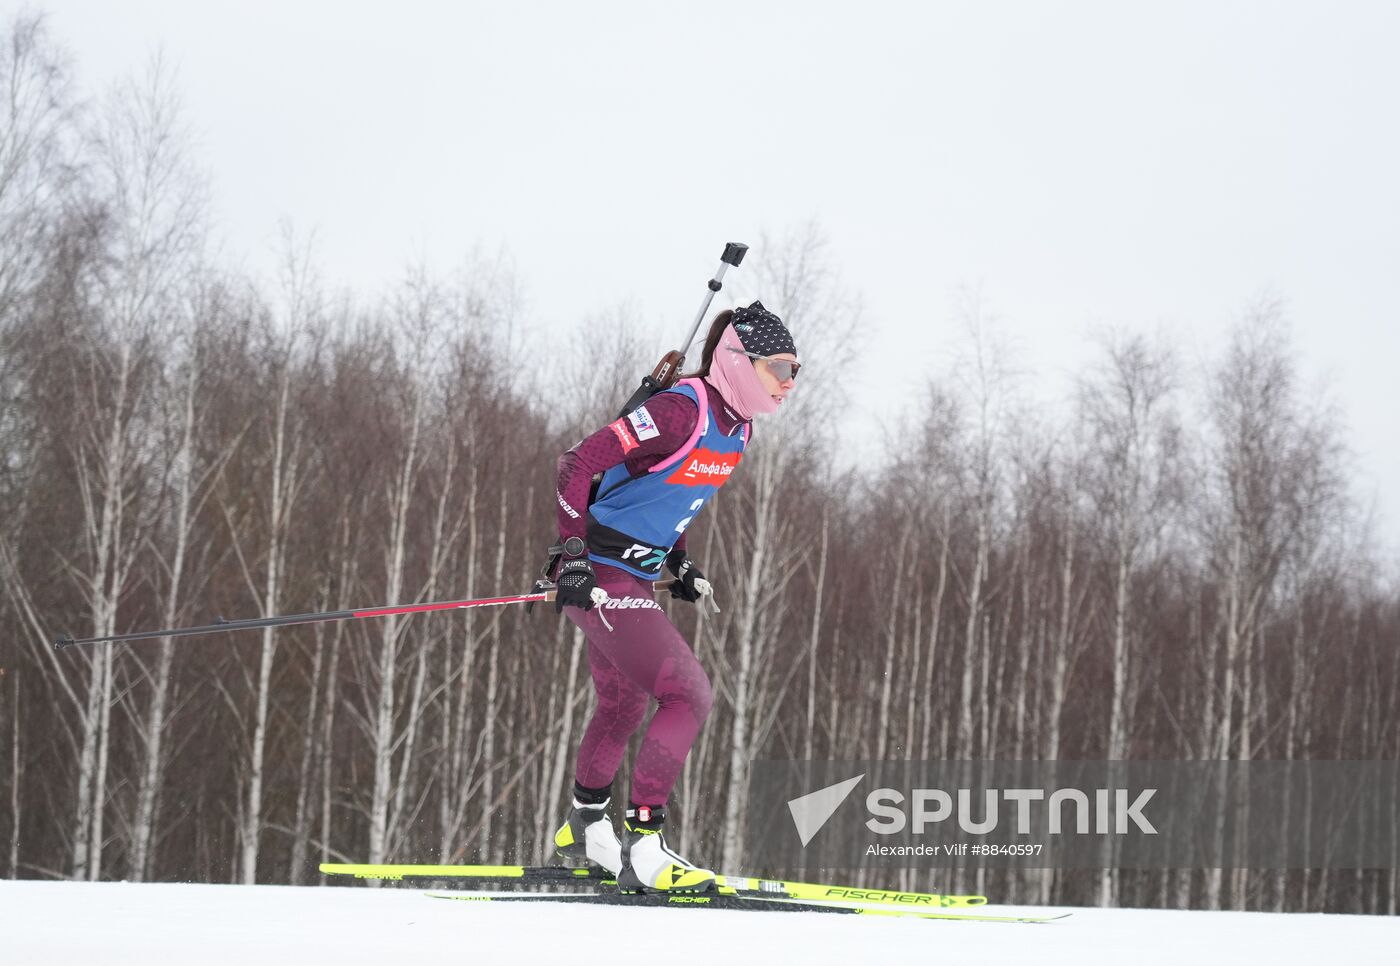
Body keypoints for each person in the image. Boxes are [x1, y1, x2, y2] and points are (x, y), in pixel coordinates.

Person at [549, 301, 800, 894]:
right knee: (687, 694)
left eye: (796, 371)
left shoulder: (737, 428)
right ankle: (645, 845)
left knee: (622, 708)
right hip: (602, 577)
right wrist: (573, 554)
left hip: (632, 577)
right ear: (739, 361)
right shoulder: (677, 410)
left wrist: (679, 560)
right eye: (780, 369)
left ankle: (584, 827)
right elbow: (576, 463)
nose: (790, 383)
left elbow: (671, 490)